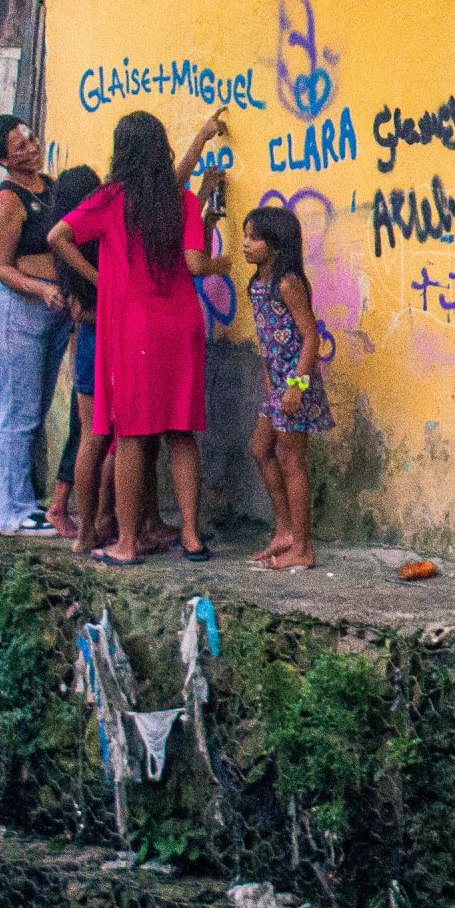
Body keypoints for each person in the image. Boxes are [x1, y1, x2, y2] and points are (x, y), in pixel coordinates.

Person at [50, 110, 231, 566]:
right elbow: (194, 260)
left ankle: (127, 543)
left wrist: (101, 279)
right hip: (181, 326)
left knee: (131, 435)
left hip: (134, 329)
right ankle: (191, 536)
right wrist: (201, 139)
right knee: (180, 431)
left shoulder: (110, 199)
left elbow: (58, 236)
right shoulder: (181, 201)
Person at [0, 114, 75, 536]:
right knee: (17, 410)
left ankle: (15, 498)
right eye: (19, 147)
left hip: (53, 308)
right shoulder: (6, 203)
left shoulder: (49, 187)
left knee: (34, 406)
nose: (31, 149)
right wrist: (40, 288)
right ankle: (12, 511)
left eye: (31, 139)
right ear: (2, 159)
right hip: (18, 310)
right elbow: (3, 267)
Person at [243, 204, 335, 572]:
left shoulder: (287, 284)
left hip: (295, 383)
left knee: (291, 460)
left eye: (254, 238)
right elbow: (267, 339)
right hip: (277, 385)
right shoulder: (257, 285)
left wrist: (295, 385)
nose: (246, 244)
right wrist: (271, 382)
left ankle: (303, 548)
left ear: (276, 244)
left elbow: (310, 336)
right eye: (246, 236)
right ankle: (285, 531)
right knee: (260, 449)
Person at [43, 165, 105, 541]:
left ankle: (83, 517)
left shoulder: (76, 248)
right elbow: (81, 311)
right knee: (90, 433)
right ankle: (71, 513)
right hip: (94, 344)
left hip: (87, 345)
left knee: (86, 432)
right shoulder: (80, 248)